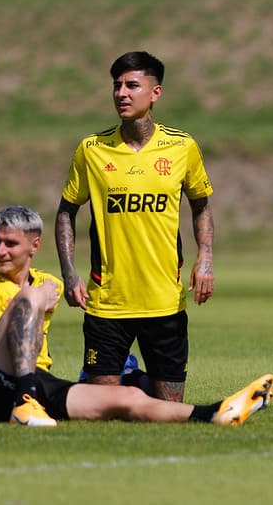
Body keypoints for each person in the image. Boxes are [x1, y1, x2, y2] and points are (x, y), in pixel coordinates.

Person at [0, 205, 273, 427]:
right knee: (29, 296)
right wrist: (34, 301)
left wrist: (40, 300)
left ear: (34, 245)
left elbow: (34, 340)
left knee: (127, 398)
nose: (0, 251)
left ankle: (216, 413)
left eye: (10, 243)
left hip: (38, 381)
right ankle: (25, 401)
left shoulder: (48, 284)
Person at [55, 51, 214, 402]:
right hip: (108, 303)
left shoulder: (181, 147)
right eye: (116, 86)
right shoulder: (92, 149)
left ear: (155, 93)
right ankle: (130, 383)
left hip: (164, 302)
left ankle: (136, 382)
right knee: (100, 411)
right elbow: (66, 211)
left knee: (169, 411)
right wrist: (69, 272)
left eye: (132, 85)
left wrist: (206, 256)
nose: (121, 94)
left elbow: (200, 204)